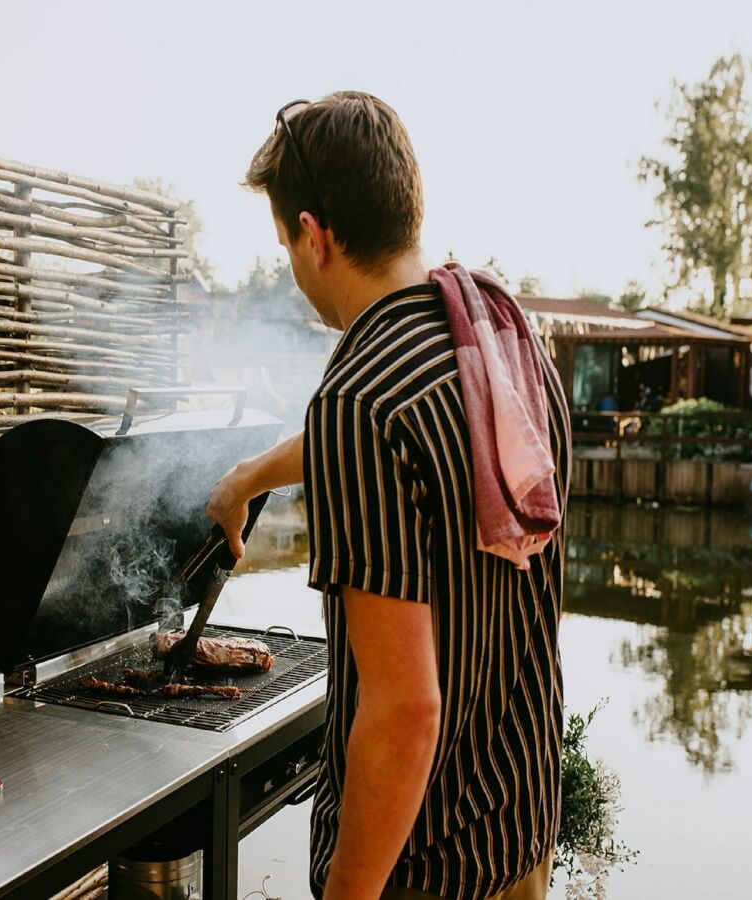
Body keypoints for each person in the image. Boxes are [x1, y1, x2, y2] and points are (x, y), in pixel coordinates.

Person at [206, 93, 570, 900]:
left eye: (286, 248)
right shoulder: (500, 332)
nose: (294, 273)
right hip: (519, 832)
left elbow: (406, 714)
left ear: (316, 235)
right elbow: (412, 442)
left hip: (424, 868)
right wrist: (246, 479)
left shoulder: (357, 399)